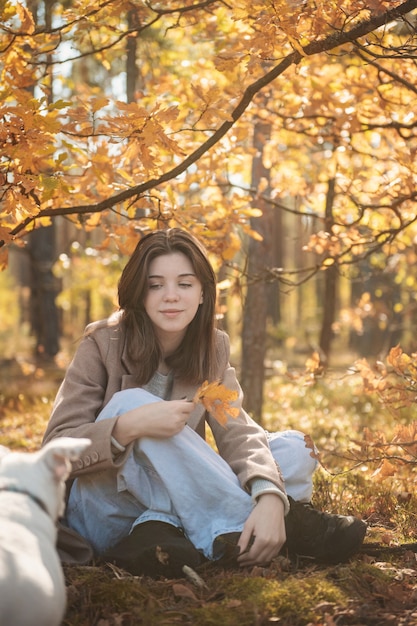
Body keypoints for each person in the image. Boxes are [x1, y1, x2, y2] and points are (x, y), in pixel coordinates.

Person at [42, 228, 366, 578]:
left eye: (184, 283)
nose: (171, 297)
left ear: (201, 293)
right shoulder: (102, 343)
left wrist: (270, 494)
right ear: (139, 293)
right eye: (155, 285)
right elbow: (55, 448)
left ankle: (160, 531)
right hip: (104, 506)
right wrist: (128, 427)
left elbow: (237, 430)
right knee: (130, 402)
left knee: (293, 450)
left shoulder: (212, 348)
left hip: (174, 495)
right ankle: (286, 524)